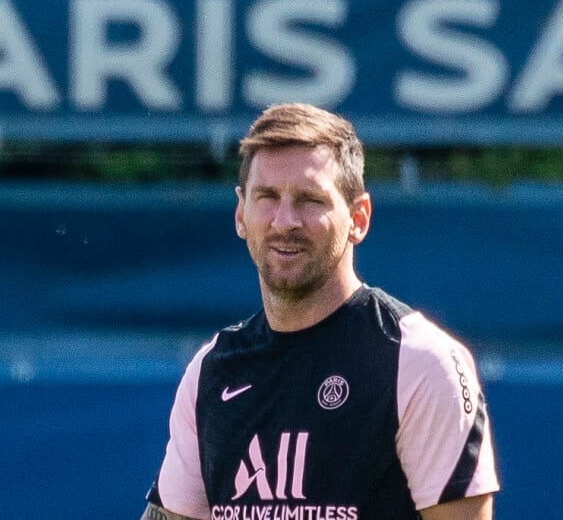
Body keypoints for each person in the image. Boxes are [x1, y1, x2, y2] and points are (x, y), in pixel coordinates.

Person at [141, 103, 500, 520]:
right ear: (241, 214)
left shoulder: (419, 362)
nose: (285, 220)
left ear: (358, 217)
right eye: (267, 197)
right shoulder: (212, 372)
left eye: (310, 200)